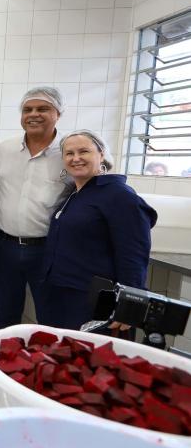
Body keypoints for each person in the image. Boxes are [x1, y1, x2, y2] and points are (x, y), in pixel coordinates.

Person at [41, 131, 157, 329]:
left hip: (92, 300)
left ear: (101, 154)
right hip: (59, 293)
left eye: (83, 151)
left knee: (89, 356)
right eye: (69, 153)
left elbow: (133, 252)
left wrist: (130, 304)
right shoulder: (75, 194)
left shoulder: (119, 195)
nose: (75, 158)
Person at [0, 87, 71, 329]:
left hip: (48, 249)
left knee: (50, 317)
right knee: (5, 316)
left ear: (58, 113)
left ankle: (46, 366)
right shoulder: (3, 150)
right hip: (5, 246)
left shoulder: (69, 151)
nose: (33, 114)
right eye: (28, 109)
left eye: (43, 109)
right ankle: (4, 364)